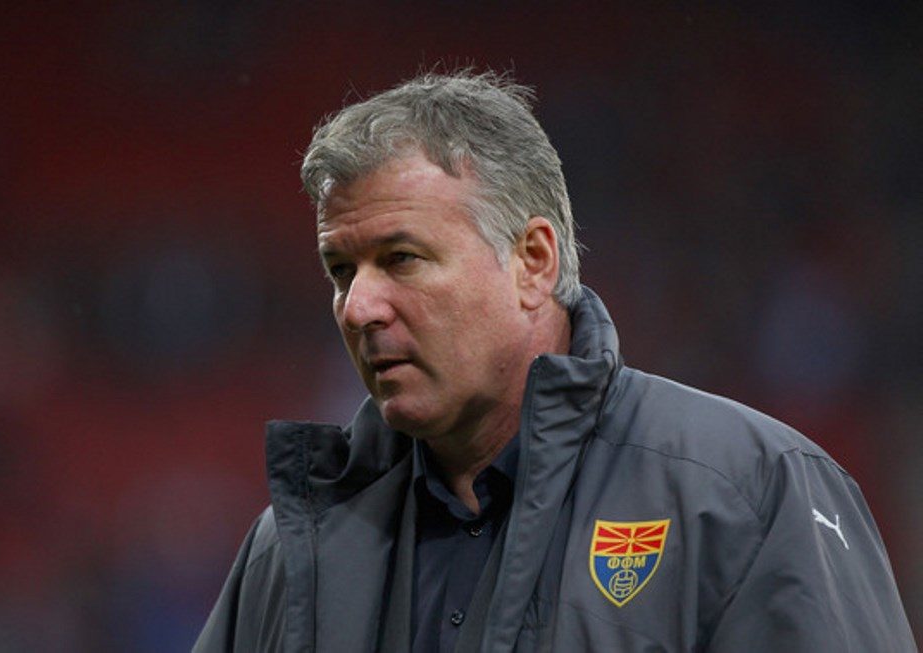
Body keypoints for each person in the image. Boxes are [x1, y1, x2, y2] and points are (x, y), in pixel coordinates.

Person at [193, 71, 915, 652]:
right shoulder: (293, 551)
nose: (358, 308)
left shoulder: (747, 492)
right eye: (342, 271)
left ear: (532, 262)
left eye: (401, 258)